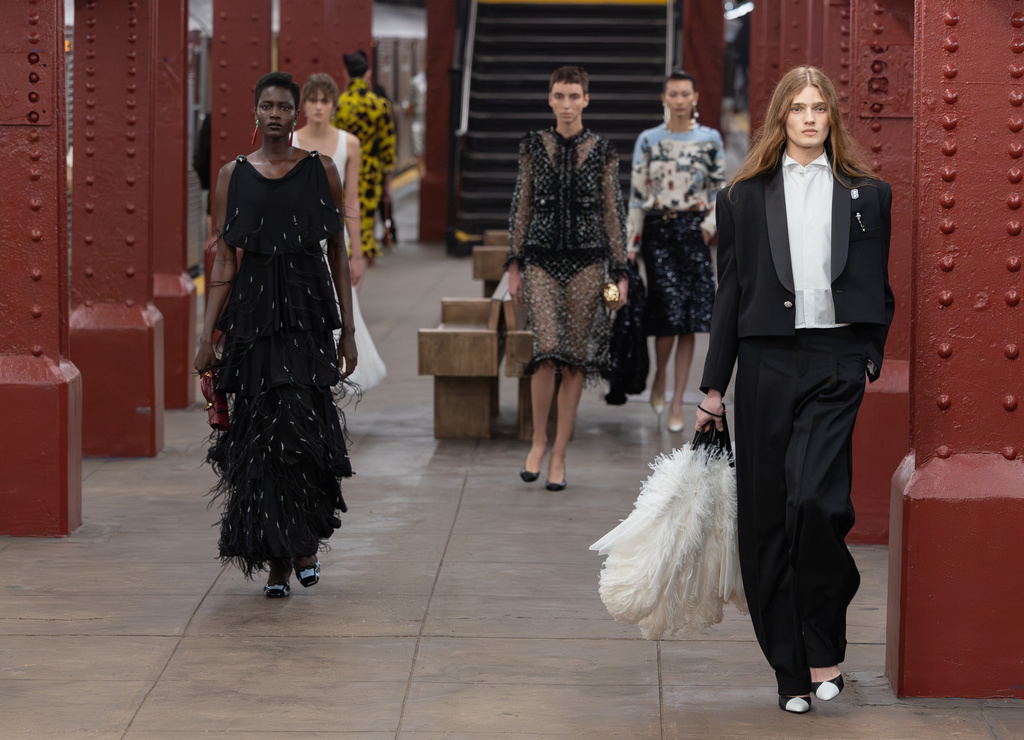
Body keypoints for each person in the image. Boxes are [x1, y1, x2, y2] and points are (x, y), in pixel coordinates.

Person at [695, 66, 894, 713]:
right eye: (798, 108)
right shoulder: (743, 197)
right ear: (781, 117)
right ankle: (791, 670)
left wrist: (867, 354)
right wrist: (712, 389)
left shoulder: (868, 195)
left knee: (815, 504)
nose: (809, 118)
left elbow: (877, 286)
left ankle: (825, 636)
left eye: (820, 109)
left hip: (835, 362)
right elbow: (731, 293)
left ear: (831, 118)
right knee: (767, 520)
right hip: (765, 364)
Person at [194, 71, 359, 598]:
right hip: (254, 320)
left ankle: (304, 542)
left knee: (303, 430)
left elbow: (337, 252)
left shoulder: (322, 171)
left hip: (306, 316)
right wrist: (206, 335)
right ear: (255, 112)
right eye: (266, 105)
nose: (275, 114)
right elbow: (225, 256)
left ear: (295, 116)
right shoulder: (231, 175)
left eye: (283, 107)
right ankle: (278, 562)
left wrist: (348, 331)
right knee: (260, 439)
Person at [506, 66, 629, 491]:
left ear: (586, 100)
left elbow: (613, 213)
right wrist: (514, 263)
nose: (567, 104)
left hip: (589, 263)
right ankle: (538, 440)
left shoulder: (603, 151)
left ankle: (559, 452)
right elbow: (521, 205)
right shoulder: (534, 147)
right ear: (550, 98)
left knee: (574, 359)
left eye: (574, 96)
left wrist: (621, 271)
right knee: (547, 351)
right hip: (539, 260)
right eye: (560, 96)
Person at [627, 70, 725, 432]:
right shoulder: (649, 140)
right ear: (664, 98)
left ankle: (677, 399)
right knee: (667, 313)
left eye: (686, 93)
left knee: (692, 320)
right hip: (658, 230)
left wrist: (709, 228)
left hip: (694, 230)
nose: (680, 99)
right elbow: (637, 193)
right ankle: (659, 376)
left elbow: (721, 187)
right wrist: (631, 243)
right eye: (673, 94)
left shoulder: (710, 139)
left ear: (695, 96)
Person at [294, 73, 387, 392]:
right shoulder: (291, 141)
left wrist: (358, 254)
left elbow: (351, 200)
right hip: (299, 238)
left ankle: (332, 380)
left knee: (339, 306)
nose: (319, 106)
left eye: (325, 100)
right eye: (313, 100)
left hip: (334, 238)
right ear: (303, 105)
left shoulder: (350, 143)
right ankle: (311, 375)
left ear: (334, 105)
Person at [332, 49, 397, 263]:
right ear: (368, 73)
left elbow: (331, 140)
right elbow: (388, 146)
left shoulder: (338, 105)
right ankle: (362, 259)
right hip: (370, 169)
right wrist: (388, 182)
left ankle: (346, 257)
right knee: (365, 220)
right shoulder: (380, 105)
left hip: (343, 168)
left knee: (345, 215)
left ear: (345, 73)